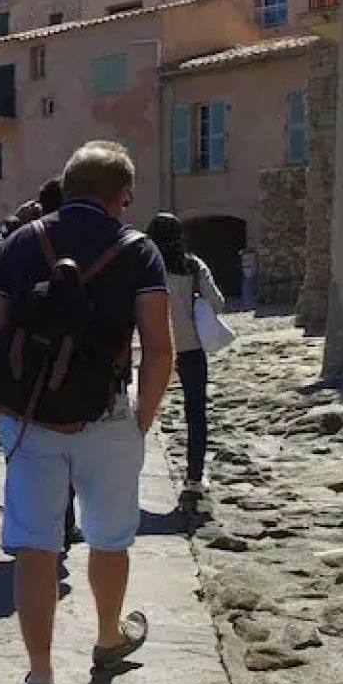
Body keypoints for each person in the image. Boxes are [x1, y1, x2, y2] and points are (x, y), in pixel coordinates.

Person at [0, 140, 174, 684]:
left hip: (33, 418)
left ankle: (40, 677)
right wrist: (141, 419)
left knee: (36, 546)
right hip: (108, 412)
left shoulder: (20, 242)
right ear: (123, 196)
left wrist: (6, 410)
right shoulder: (138, 250)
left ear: (66, 185)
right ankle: (108, 639)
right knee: (110, 538)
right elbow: (159, 351)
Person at [0, 178, 83, 548]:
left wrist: (12, 221)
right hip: (69, 353)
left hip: (22, 352)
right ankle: (67, 524)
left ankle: (31, 528)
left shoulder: (23, 241)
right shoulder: (83, 239)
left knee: (24, 446)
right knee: (65, 440)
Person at [145, 213, 223, 512]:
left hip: (153, 348)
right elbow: (217, 303)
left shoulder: (145, 267)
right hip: (189, 347)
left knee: (143, 413)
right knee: (196, 414)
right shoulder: (192, 265)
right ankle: (193, 479)